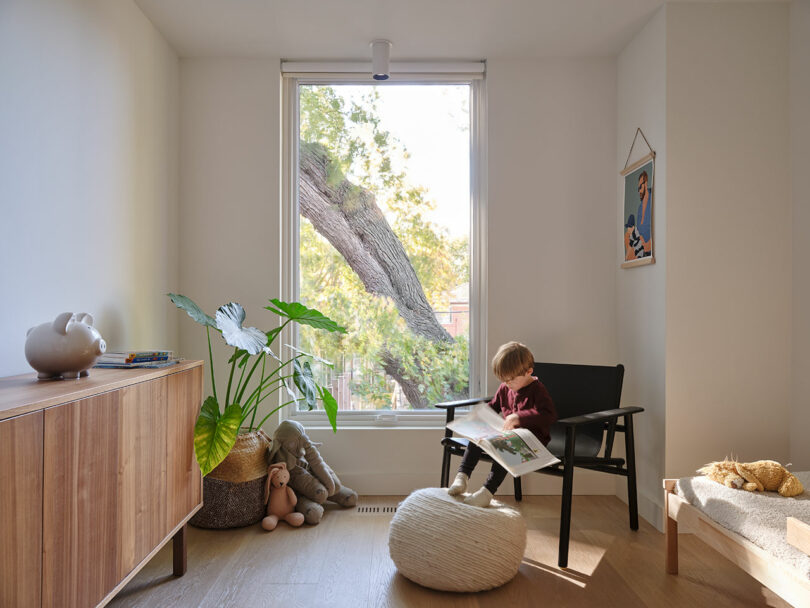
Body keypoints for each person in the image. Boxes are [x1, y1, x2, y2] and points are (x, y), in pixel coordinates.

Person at [447, 341, 557, 507]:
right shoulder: (506, 388)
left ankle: (487, 492)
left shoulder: (537, 390)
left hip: (533, 441)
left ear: (528, 372)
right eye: (504, 380)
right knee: (477, 437)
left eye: (511, 379)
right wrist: (480, 418)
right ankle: (462, 477)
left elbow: (549, 415)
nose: (507, 384)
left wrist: (519, 417)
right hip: (509, 434)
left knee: (506, 447)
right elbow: (494, 406)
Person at [636, 170, 653, 255]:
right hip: (644, 253)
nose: (639, 191)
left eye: (640, 188)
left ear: (645, 183)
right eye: (638, 188)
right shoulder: (639, 208)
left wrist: (650, 243)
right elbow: (638, 230)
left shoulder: (654, 197)